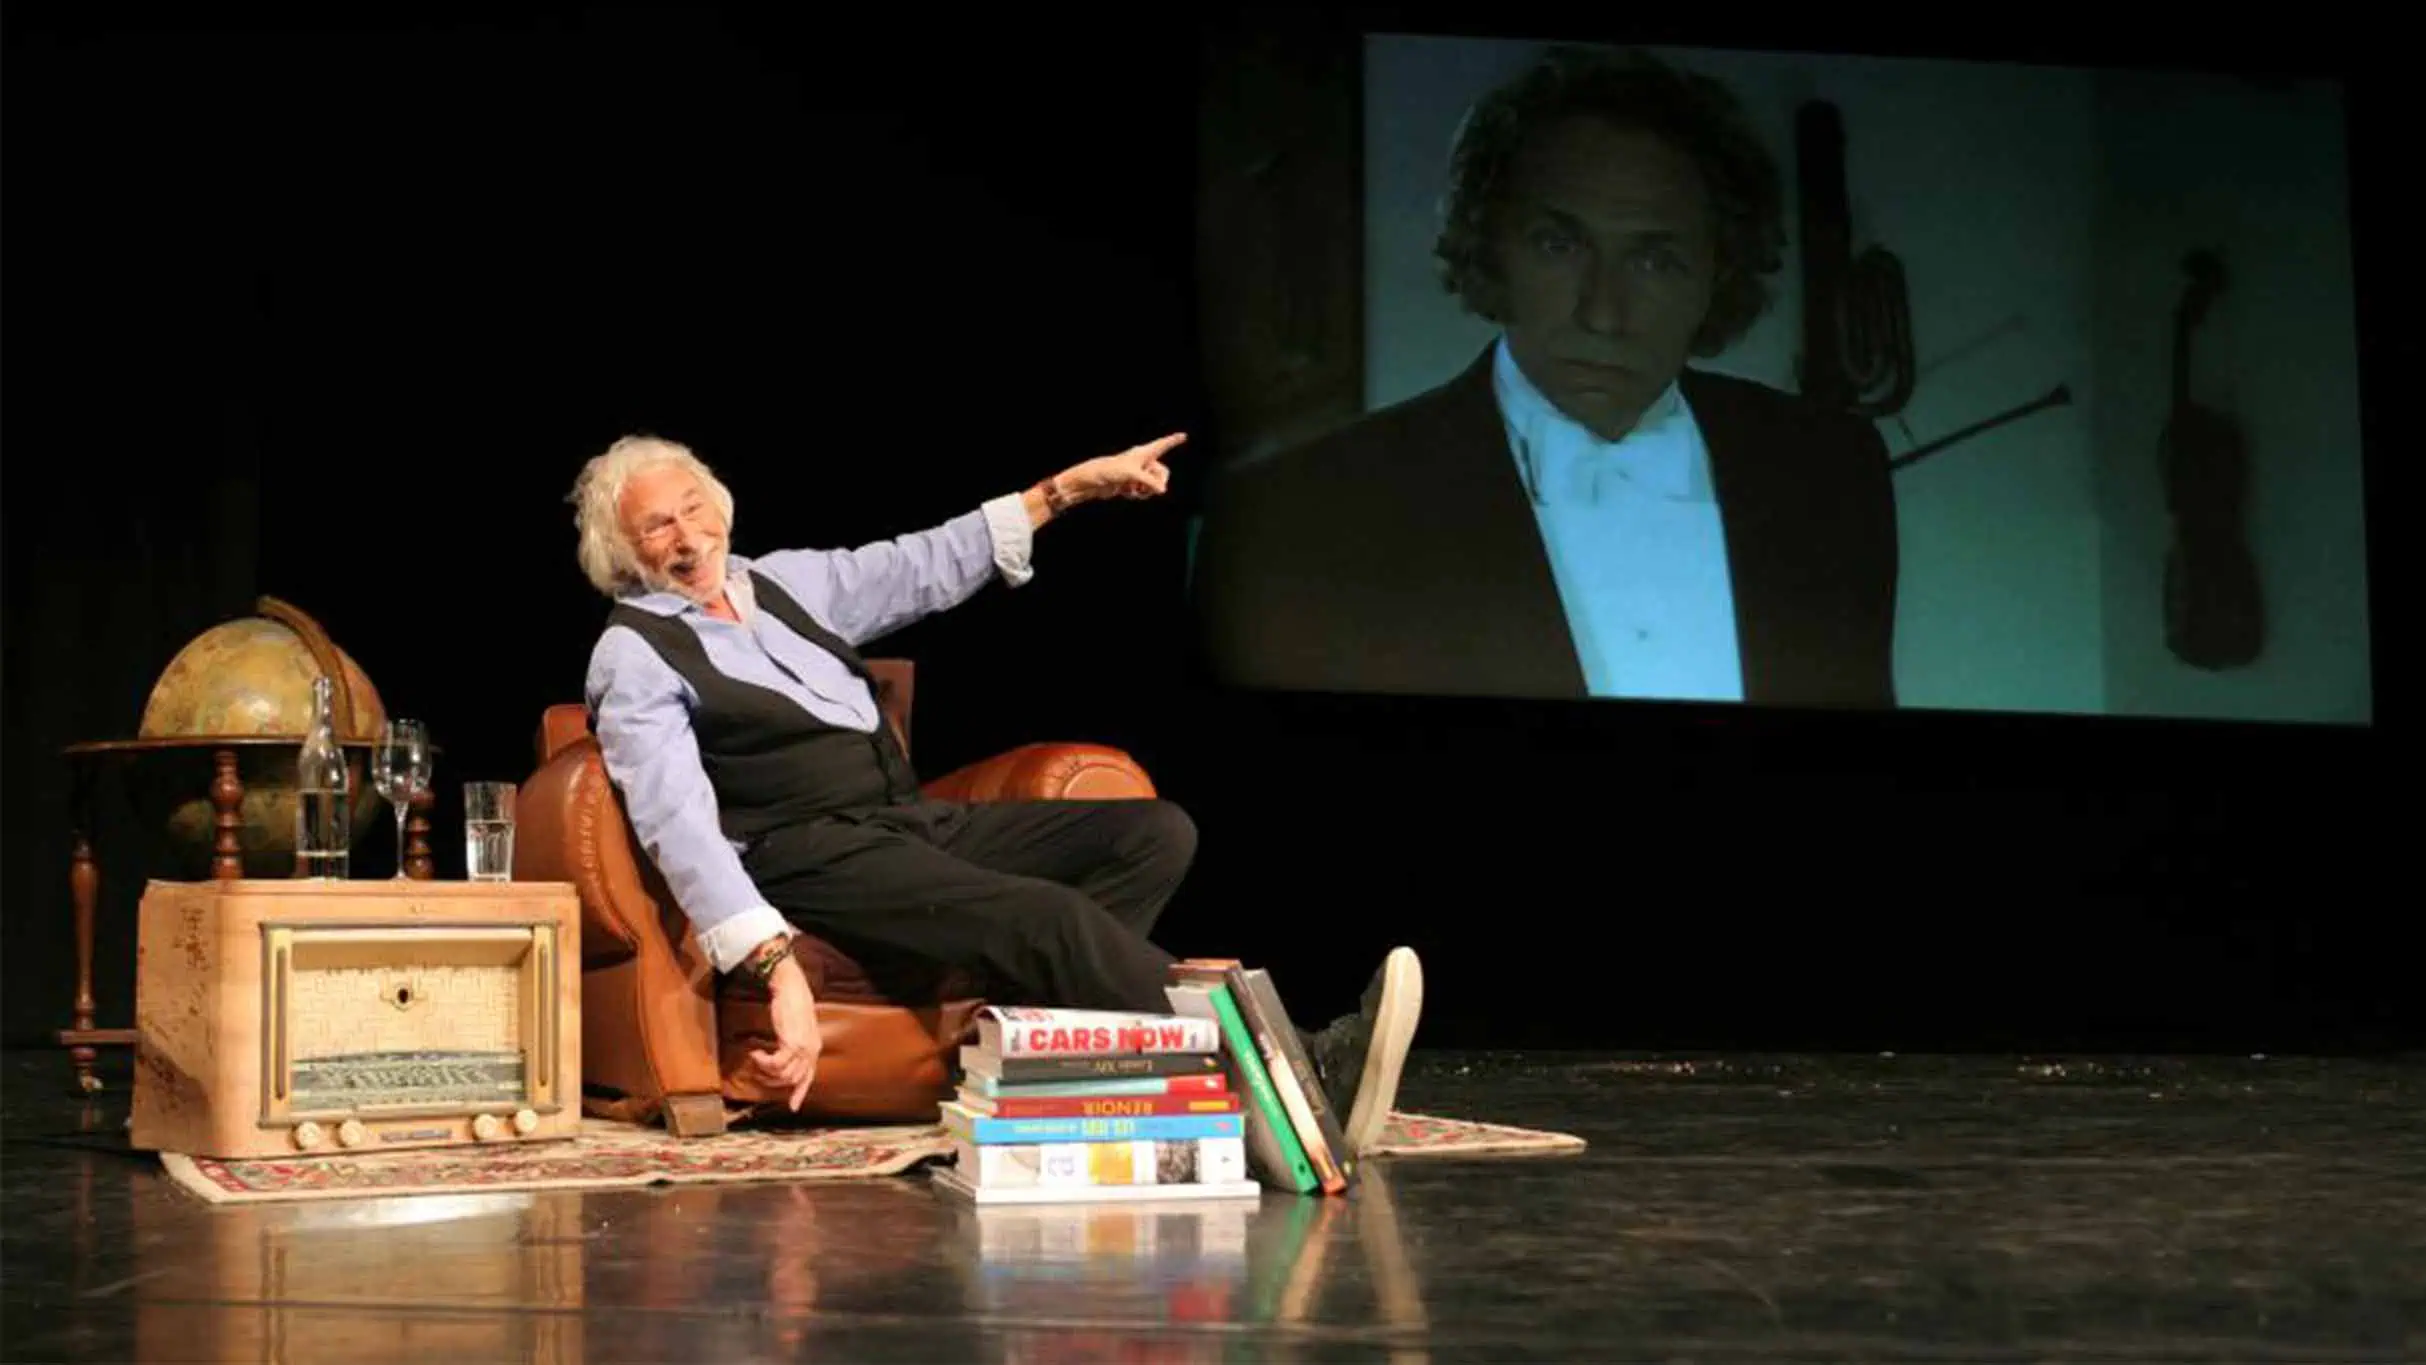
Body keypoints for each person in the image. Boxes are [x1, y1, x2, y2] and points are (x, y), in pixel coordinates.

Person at [570, 431, 1423, 1153]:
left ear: (719, 502)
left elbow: (923, 561)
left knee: (1154, 833)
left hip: (905, 824)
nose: (687, 535)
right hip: (808, 855)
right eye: (656, 525)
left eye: (692, 505)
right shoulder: (633, 652)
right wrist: (773, 961)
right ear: (624, 555)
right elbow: (677, 819)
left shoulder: (785, 583)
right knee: (1047, 918)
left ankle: (1051, 1055)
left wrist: (1067, 490)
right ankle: (1297, 1068)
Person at [1192, 46, 1899, 708]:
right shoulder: (1296, 513)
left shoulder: (1834, 470)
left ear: (1718, 270)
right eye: (1558, 245)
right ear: (1490, 246)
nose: (1603, 313)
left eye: (1655, 261)